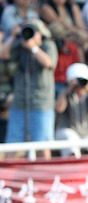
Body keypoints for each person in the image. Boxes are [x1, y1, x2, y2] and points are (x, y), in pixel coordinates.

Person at [4, 20, 57, 157]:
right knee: (12, 145)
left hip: (41, 103)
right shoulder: (19, 46)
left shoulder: (48, 45)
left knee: (42, 146)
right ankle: (9, 178)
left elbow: (48, 63)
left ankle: (45, 178)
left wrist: (33, 48)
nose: (30, 35)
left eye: (33, 31)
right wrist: (13, 36)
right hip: (19, 102)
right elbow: (3, 54)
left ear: (40, 34)